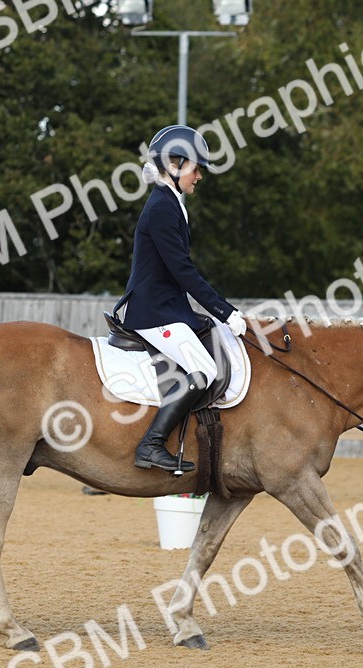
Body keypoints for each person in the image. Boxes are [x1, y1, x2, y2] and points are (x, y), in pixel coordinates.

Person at [114, 124, 247, 473]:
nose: (199, 176)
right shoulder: (161, 207)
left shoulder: (171, 203)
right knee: (203, 369)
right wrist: (224, 310)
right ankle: (151, 445)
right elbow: (182, 271)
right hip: (153, 312)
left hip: (168, 307)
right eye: (195, 168)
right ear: (173, 165)